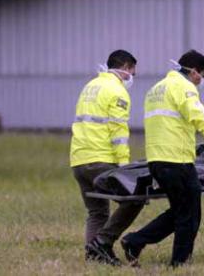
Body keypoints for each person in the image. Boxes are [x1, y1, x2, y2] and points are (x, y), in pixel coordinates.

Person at [121, 50, 204, 267]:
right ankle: (179, 262)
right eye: (202, 76)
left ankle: (135, 241)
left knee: (181, 210)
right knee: (190, 213)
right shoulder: (183, 86)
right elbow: (196, 113)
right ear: (193, 71)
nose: (201, 82)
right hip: (176, 159)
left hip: (157, 159)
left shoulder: (156, 89)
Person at [70, 50, 144, 266]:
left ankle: (94, 258)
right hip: (100, 160)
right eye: (133, 72)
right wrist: (124, 167)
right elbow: (118, 132)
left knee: (97, 211)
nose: (132, 77)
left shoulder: (90, 87)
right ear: (126, 68)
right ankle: (103, 242)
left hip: (79, 160)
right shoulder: (117, 91)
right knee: (135, 199)